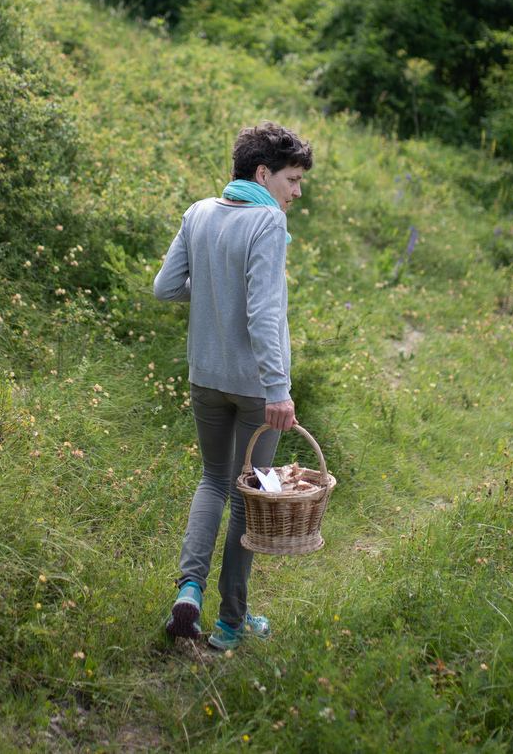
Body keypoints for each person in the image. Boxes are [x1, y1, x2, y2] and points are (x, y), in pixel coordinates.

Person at [153, 121, 312, 651]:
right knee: (247, 498)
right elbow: (265, 314)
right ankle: (230, 624)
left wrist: (216, 290)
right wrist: (278, 390)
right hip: (253, 388)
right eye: (291, 179)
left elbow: (166, 286)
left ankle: (189, 593)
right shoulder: (266, 224)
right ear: (262, 173)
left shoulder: (199, 213)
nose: (295, 193)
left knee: (213, 483)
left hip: (204, 376)